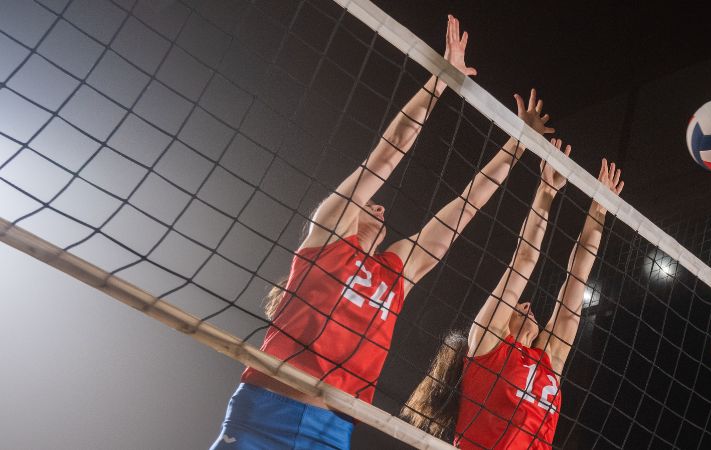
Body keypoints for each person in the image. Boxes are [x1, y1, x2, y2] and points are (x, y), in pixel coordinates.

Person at [211, 15, 556, 449]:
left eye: (378, 205)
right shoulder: (327, 238)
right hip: (267, 411)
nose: (378, 205)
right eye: (368, 204)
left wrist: (517, 144)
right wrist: (439, 82)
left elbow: (464, 210)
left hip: (332, 431)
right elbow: (385, 156)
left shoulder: (397, 273)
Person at [402, 146, 624, 450]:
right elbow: (524, 260)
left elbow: (578, 275)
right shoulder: (487, 344)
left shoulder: (547, 358)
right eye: (519, 305)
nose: (528, 304)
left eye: (522, 304)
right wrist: (546, 191)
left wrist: (599, 209)